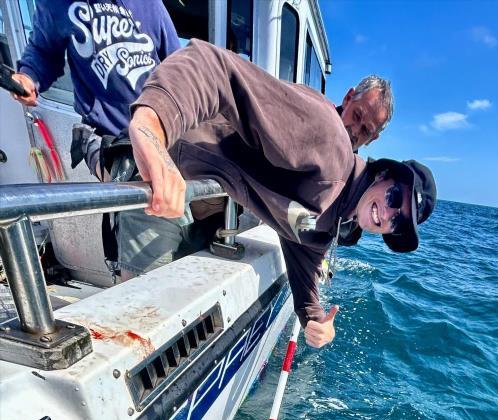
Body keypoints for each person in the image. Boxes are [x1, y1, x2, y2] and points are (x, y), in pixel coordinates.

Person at [124, 40, 436, 349]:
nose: (389, 214)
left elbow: (304, 266)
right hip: (158, 167)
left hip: (194, 193)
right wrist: (153, 126)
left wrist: (315, 321)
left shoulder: (332, 222)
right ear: (383, 175)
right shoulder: (327, 141)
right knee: (145, 326)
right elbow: (215, 66)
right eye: (395, 198)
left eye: (398, 222)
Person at [10, 0, 180, 176]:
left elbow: (177, 65)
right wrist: (28, 76)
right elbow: (43, 52)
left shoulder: (150, 4)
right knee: (131, 199)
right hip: (107, 141)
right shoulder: (56, 4)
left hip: (160, 133)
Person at [336, 76, 393, 151]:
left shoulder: (354, 162)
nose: (354, 131)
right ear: (348, 98)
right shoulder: (317, 118)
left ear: (371, 139)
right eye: (357, 116)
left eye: (365, 130)